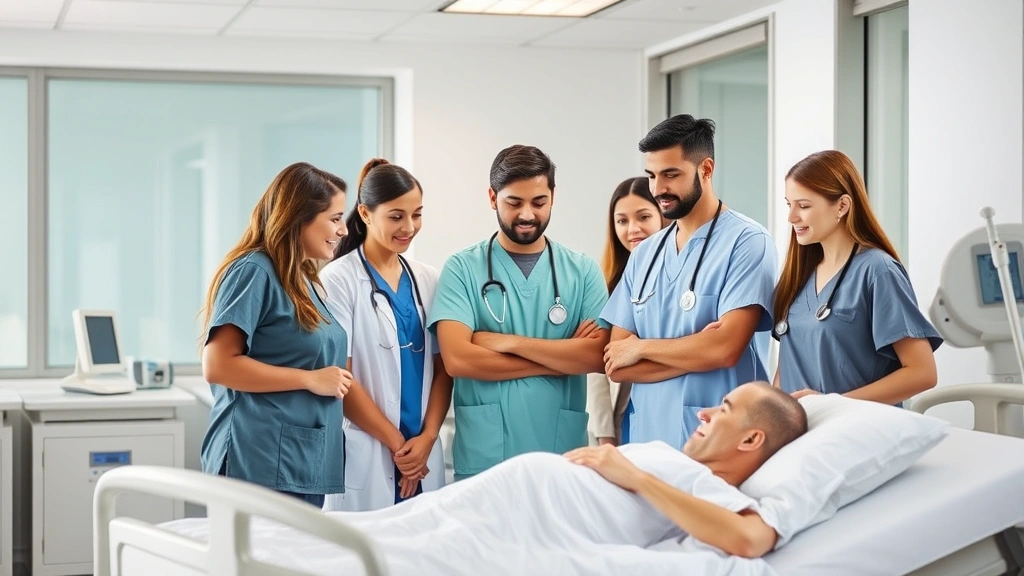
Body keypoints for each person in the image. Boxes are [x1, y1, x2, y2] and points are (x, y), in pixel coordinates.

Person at [428, 144, 610, 480]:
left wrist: (506, 342)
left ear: (553, 197)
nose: (527, 214)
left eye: (538, 202)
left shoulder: (583, 271)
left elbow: (598, 356)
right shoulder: (462, 268)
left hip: (561, 457)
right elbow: (458, 360)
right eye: (514, 202)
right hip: (487, 459)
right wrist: (560, 358)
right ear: (493, 197)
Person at [600, 114, 779, 450]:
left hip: (722, 442)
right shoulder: (645, 254)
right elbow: (617, 366)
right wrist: (696, 349)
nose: (658, 189)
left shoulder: (748, 242)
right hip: (648, 441)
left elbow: (725, 349)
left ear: (706, 170)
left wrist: (641, 348)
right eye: (651, 176)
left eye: (671, 175)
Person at [199, 162, 352, 508]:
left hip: (299, 458)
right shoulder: (254, 270)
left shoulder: (302, 280)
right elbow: (218, 365)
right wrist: (309, 379)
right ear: (299, 217)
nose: (343, 230)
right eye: (334, 218)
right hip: (259, 459)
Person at [319, 159, 453, 512]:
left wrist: (426, 439)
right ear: (364, 213)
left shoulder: (428, 279)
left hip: (421, 452)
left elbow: (444, 369)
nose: (409, 227)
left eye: (417, 214)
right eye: (396, 216)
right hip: (372, 449)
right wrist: (399, 446)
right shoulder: (339, 280)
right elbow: (341, 379)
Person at [773, 150, 942, 405]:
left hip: (858, 434)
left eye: (804, 206)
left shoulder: (878, 271)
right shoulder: (799, 276)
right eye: (789, 204)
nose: (791, 217)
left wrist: (833, 406)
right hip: (801, 436)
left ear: (842, 206)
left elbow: (923, 373)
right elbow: (787, 370)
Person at [587, 177, 667, 446]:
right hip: (622, 415)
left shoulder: (678, 276)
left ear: (663, 216)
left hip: (664, 403)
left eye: (643, 216)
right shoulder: (607, 282)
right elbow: (597, 369)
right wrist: (605, 435)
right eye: (621, 221)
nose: (633, 229)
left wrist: (638, 347)